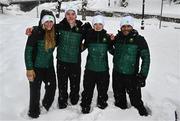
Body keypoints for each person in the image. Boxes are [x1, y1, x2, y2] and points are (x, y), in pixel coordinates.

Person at [25, 5, 91, 109]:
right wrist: (32, 29)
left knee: (75, 83)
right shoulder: (59, 27)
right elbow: (45, 27)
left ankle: (74, 98)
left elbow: (89, 40)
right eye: (68, 14)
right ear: (65, 15)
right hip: (62, 61)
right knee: (62, 84)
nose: (70, 16)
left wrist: (81, 47)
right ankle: (62, 100)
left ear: (76, 15)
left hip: (75, 61)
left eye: (73, 14)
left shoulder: (81, 28)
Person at [112, 16, 150, 116]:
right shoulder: (118, 38)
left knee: (136, 103)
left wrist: (142, 75)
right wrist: (109, 42)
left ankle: (143, 117)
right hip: (117, 75)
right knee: (120, 103)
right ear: (121, 27)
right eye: (124, 26)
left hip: (132, 76)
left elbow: (146, 58)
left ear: (132, 27)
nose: (126, 28)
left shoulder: (139, 40)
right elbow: (115, 52)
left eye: (128, 26)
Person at [24, 10, 57, 118]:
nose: (49, 24)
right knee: (35, 91)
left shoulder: (54, 33)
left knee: (52, 87)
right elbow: (28, 51)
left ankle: (46, 105)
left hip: (48, 67)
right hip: (36, 67)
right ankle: (33, 112)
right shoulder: (35, 33)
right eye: (46, 21)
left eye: (51, 22)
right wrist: (29, 68)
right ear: (42, 22)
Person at [80, 15, 113, 114]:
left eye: (100, 24)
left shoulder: (107, 37)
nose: (98, 26)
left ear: (103, 25)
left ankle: (102, 103)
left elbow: (113, 51)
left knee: (102, 90)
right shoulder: (89, 36)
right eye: (95, 24)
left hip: (103, 70)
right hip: (90, 69)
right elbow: (81, 48)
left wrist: (112, 41)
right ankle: (85, 105)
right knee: (88, 90)